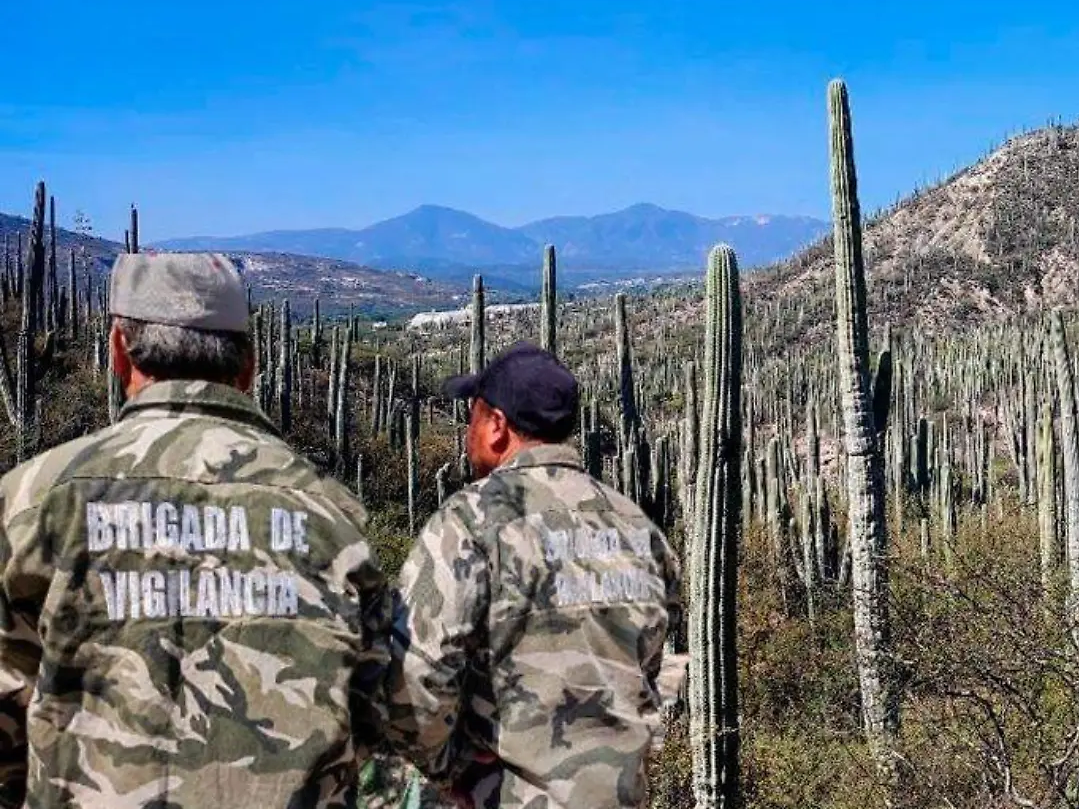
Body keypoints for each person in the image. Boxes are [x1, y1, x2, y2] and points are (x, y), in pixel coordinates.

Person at [0, 252, 391, 807]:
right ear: (251, 367)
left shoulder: (31, 497)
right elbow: (380, 703)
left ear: (117, 352)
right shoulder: (331, 515)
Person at [388, 342, 683, 809]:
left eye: (473, 416)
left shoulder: (471, 521)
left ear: (497, 427)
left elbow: (415, 677)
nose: (468, 432)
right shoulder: (638, 528)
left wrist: (451, 768)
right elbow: (647, 665)